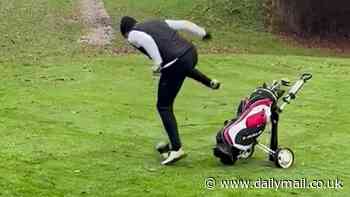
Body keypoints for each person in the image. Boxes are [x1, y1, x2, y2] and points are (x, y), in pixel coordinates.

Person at [120, 16, 221, 165]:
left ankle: (176, 148)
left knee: (163, 106)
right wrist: (202, 33)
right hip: (190, 53)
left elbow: (147, 40)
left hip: (173, 61)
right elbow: (184, 24)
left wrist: (157, 63)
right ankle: (209, 82)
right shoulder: (157, 22)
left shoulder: (132, 34)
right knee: (182, 68)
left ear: (125, 33)